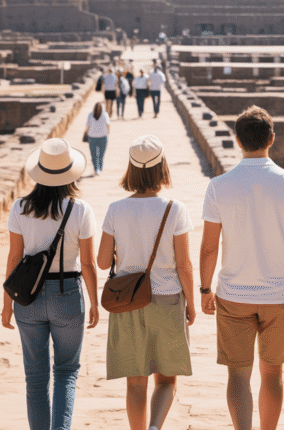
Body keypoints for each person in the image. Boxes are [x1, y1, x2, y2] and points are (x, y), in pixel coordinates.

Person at [199, 105, 284, 430]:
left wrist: (205, 288)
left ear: (237, 141)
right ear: (272, 138)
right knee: (273, 373)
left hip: (234, 294)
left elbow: (209, 247)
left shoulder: (219, 186)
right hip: (280, 294)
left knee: (238, 373)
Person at [97, 135, 196, 430]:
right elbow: (183, 265)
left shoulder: (116, 209)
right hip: (167, 298)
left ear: (131, 169)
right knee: (166, 380)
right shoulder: (175, 209)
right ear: (162, 167)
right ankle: (155, 427)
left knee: (135, 382)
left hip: (127, 301)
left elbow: (102, 262)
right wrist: (191, 303)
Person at [2, 137, 99, 430]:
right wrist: (94, 302)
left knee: (35, 377)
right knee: (67, 372)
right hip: (67, 293)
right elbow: (88, 263)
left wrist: (7, 305)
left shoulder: (20, 208)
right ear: (70, 173)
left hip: (27, 298)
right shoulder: (80, 210)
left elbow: (14, 259)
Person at [84, 102, 110, 176]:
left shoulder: (90, 115)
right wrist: (108, 132)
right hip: (103, 137)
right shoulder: (105, 115)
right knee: (101, 155)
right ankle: (99, 168)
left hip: (92, 137)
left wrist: (86, 133)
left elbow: (87, 126)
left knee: (94, 155)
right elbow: (108, 125)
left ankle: (96, 169)